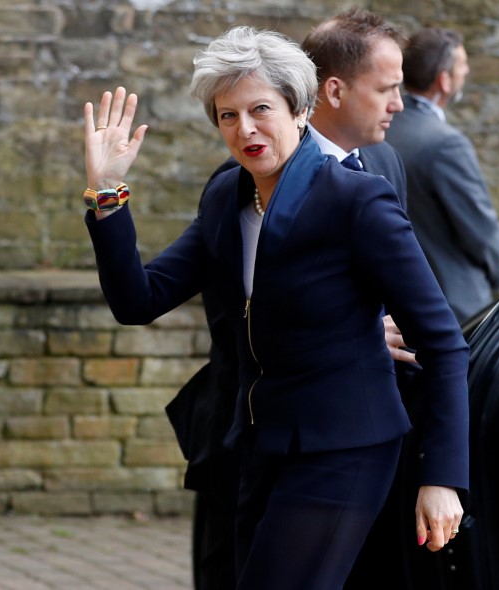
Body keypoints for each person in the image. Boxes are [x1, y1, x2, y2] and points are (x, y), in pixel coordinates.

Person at [82, 26, 469, 590]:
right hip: (258, 446)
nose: (246, 129)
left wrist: (442, 478)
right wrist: (108, 193)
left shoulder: (356, 199)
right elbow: (138, 300)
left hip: (346, 447)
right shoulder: (225, 197)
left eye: (261, 108)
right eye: (227, 116)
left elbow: (442, 342)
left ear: (302, 108)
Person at [168, 9, 417, 589]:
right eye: (385, 88)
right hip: (248, 429)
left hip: (353, 435)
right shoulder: (231, 186)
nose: (398, 103)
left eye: (259, 110)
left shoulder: (382, 167)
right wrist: (107, 198)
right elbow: (228, 308)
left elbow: (410, 298)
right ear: (328, 92)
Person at [385, 27, 499, 325]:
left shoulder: (383, 129)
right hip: (453, 305)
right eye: (462, 65)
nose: (466, 71)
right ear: (444, 80)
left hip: (395, 301)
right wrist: (498, 267)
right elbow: (478, 224)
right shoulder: (445, 143)